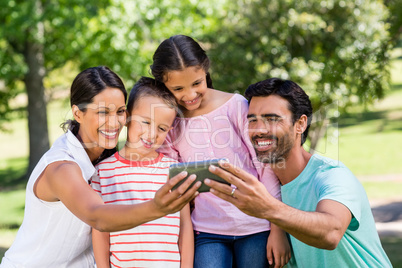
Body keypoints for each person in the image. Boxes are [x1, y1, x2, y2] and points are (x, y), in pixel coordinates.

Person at [0, 66, 200, 268]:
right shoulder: (61, 167)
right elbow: (97, 216)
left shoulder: (106, 158)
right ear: (78, 113)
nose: (114, 123)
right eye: (103, 112)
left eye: (120, 112)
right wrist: (157, 208)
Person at [205, 78, 392, 267]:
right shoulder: (261, 188)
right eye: (252, 120)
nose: (259, 129)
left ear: (300, 124)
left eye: (272, 119)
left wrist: (268, 208)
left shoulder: (332, 175)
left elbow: (331, 233)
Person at [151, 35, 290, 268]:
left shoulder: (235, 106)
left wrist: (277, 230)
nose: (190, 95)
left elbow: (265, 166)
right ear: (163, 86)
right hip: (207, 230)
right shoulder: (171, 123)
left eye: (196, 83)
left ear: (206, 70)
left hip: (256, 225)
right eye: (177, 88)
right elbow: (170, 174)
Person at [91, 77, 193, 268]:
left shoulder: (174, 171)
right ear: (127, 117)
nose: (152, 134)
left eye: (161, 128)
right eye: (145, 122)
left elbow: (185, 225)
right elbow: (99, 230)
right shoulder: (103, 172)